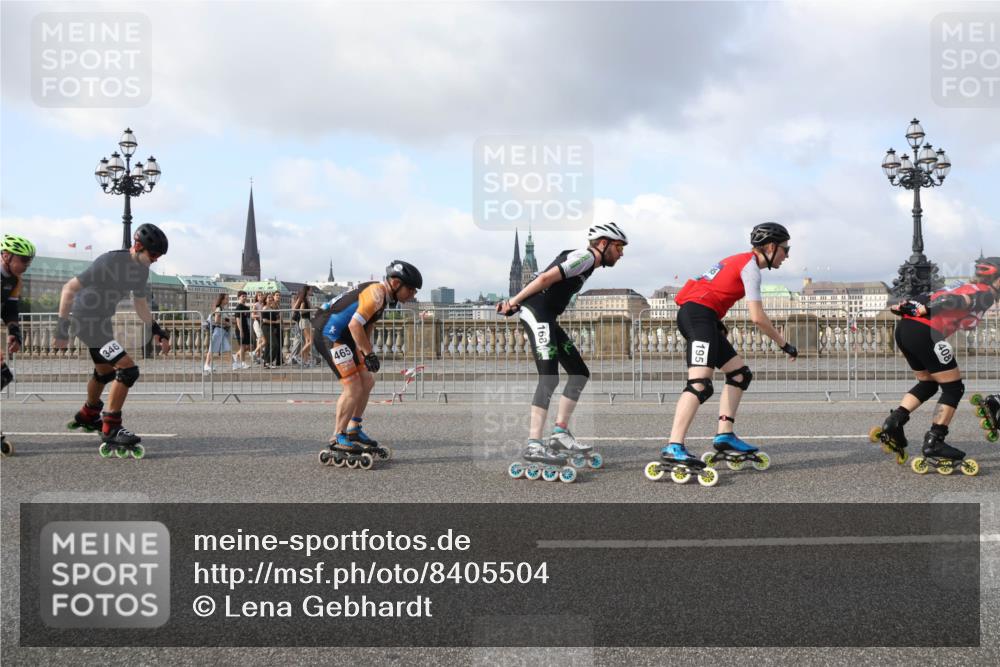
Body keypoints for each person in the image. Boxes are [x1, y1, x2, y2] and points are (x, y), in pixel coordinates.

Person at [659, 222, 797, 470]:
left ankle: (725, 435)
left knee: (739, 374)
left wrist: (716, 325)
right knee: (699, 384)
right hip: (699, 317)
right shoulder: (751, 268)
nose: (787, 255)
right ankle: (673, 446)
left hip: (704, 317)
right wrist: (785, 344)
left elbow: (712, 289)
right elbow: (758, 317)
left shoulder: (740, 260)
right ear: (770, 247)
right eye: (785, 249)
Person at [496, 222, 627, 471]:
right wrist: (513, 301)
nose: (621, 253)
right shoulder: (585, 258)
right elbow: (545, 278)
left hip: (547, 316)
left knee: (579, 373)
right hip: (537, 313)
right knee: (549, 378)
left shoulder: (589, 263)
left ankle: (559, 433)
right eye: (619, 247)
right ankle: (534, 443)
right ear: (603, 244)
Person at [54, 223, 172, 458]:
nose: (156, 260)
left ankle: (88, 413)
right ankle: (111, 426)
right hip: (85, 320)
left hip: (102, 322)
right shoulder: (109, 262)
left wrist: (158, 329)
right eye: (153, 254)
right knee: (128, 370)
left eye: (159, 256)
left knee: (105, 372)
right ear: (138, 246)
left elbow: (140, 305)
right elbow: (69, 289)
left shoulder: (142, 271)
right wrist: (61, 329)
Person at [876, 256, 1000, 472]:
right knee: (953, 387)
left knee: (928, 383)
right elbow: (960, 303)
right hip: (927, 331)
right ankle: (935, 441)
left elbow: (928, 296)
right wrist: (931, 309)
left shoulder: (963, 285)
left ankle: (894, 422)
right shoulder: (986, 293)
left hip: (905, 330)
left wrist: (912, 306)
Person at [314, 260, 421, 461]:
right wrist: (369, 354)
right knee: (353, 386)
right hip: (330, 333)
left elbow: (366, 327)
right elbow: (355, 325)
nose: (413, 295)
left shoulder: (385, 297)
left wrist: (365, 354)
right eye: (411, 289)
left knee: (367, 381)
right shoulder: (377, 294)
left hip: (345, 335)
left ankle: (354, 428)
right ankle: (338, 435)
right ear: (397, 284)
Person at [1, 234, 36, 456]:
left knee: (4, 375)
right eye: (22, 260)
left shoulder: (14, 280)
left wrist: (15, 332)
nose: (26, 265)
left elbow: (10, 311)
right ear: (6, 256)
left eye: (28, 261)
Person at [203, 292, 232, 374]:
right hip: (218, 330)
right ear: (222, 300)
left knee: (227, 348)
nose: (228, 300)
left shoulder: (222, 309)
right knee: (212, 349)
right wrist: (227, 323)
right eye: (226, 298)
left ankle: (234, 364)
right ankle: (206, 364)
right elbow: (216, 320)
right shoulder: (219, 309)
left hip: (221, 331)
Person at [233, 290, 252, 369]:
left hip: (246, 328)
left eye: (245, 296)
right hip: (240, 329)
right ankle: (243, 363)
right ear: (239, 297)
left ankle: (236, 355)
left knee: (249, 346)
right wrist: (241, 330)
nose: (244, 298)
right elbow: (238, 320)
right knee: (243, 346)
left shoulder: (246, 307)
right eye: (242, 296)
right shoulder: (239, 307)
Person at [251, 291, 266, 363]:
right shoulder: (256, 304)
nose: (260, 296)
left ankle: (257, 356)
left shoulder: (263, 304)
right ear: (257, 297)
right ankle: (255, 353)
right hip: (257, 323)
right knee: (261, 339)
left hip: (262, 323)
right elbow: (252, 315)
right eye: (259, 295)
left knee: (259, 340)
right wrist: (260, 316)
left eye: (261, 295)